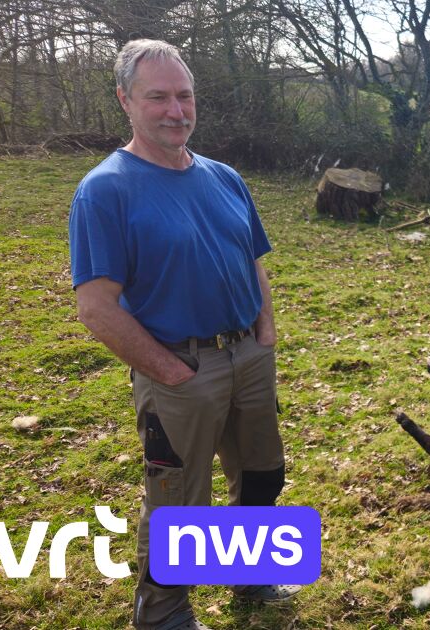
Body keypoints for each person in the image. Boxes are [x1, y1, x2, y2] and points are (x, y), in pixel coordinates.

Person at [69, 39, 299, 630]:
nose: (176, 110)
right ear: (125, 100)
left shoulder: (225, 177)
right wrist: (171, 371)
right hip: (181, 369)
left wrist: (265, 332)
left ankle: (250, 575)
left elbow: (252, 258)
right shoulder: (107, 189)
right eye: (158, 97)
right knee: (179, 502)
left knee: (262, 474)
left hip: (248, 355)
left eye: (185, 95)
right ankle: (164, 614)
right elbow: (96, 307)